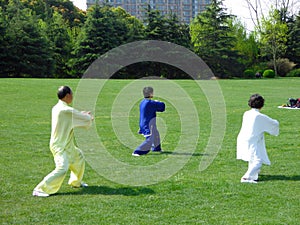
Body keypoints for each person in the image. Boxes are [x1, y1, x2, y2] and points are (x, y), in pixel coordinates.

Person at [33, 86, 94, 197]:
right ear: (67, 96)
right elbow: (82, 118)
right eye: (72, 94)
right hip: (59, 145)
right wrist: (88, 117)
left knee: (79, 157)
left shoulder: (57, 107)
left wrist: (81, 114)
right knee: (62, 168)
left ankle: (76, 182)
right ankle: (40, 189)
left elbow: (72, 116)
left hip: (66, 144)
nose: (73, 97)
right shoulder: (65, 110)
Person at [237, 94, 279, 183]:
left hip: (245, 137)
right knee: (257, 161)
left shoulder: (247, 113)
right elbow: (273, 123)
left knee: (253, 157)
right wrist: (276, 122)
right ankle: (246, 177)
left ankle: (253, 174)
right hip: (251, 139)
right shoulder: (258, 116)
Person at [132, 87, 165, 156]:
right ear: (150, 94)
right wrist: (158, 102)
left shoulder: (142, 102)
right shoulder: (150, 103)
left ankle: (156, 148)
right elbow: (162, 107)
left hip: (143, 123)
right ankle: (137, 151)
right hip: (148, 124)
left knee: (155, 134)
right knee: (150, 139)